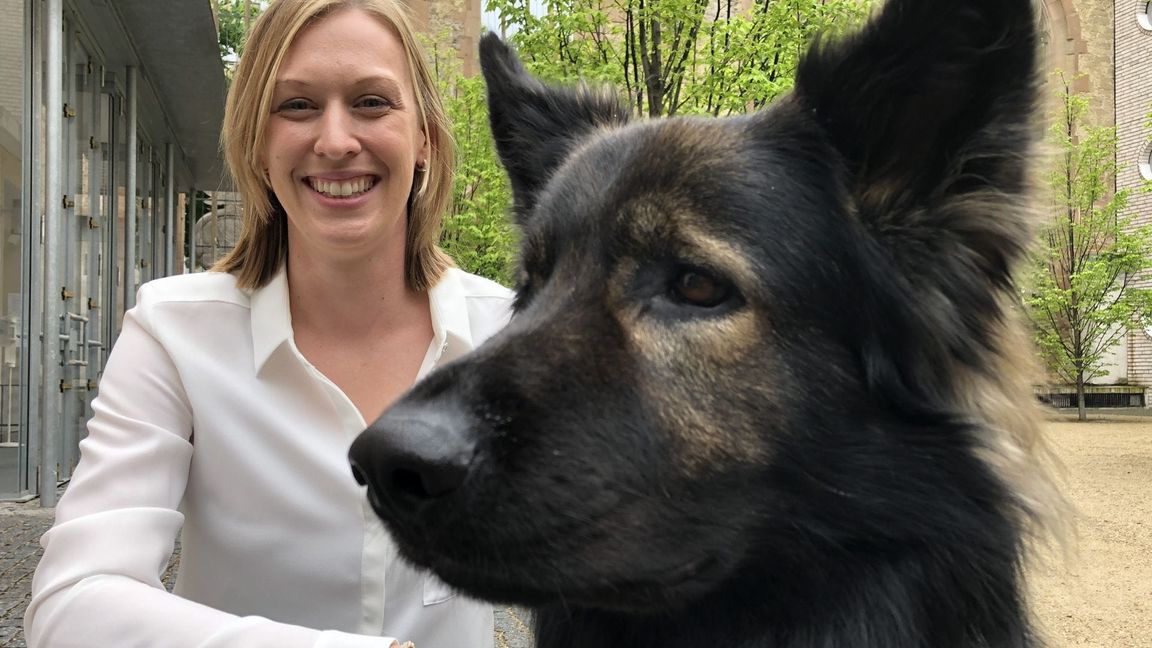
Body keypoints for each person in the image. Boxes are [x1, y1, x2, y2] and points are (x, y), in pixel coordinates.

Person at [25, 0, 512, 646]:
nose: (335, 141)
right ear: (257, 144)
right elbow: (72, 601)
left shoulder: (510, 332)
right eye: (297, 106)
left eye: (371, 102)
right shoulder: (175, 334)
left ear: (424, 138)